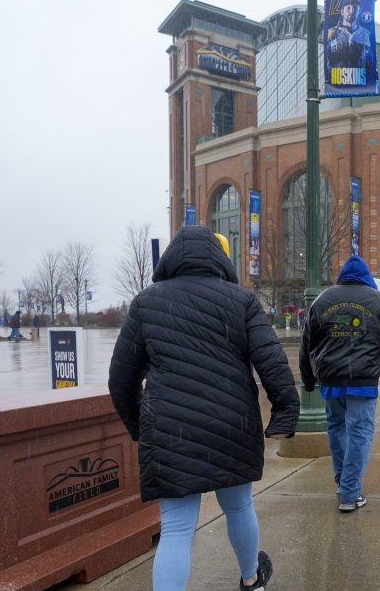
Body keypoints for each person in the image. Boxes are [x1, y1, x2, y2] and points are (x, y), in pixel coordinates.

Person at [108, 226, 299, 591]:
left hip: (170, 430)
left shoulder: (146, 303)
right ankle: (251, 579)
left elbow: (120, 379)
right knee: (240, 507)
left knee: (177, 528)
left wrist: (140, 427)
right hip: (232, 423)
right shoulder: (241, 300)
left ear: (170, 260)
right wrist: (284, 411)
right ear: (220, 260)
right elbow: (271, 361)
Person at [300, 254, 380, 513]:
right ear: (367, 277)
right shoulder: (379, 301)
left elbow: (307, 344)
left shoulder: (322, 300)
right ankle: (350, 492)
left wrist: (307, 379)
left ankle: (342, 481)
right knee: (359, 432)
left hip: (330, 379)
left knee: (337, 429)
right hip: (363, 380)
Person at [326, 0, 373, 71]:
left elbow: (370, 62)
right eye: (348, 7)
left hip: (358, 80)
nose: (352, 11)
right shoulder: (330, 32)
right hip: (335, 80)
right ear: (342, 11)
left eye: (355, 8)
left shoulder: (367, 35)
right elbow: (326, 59)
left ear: (359, 11)